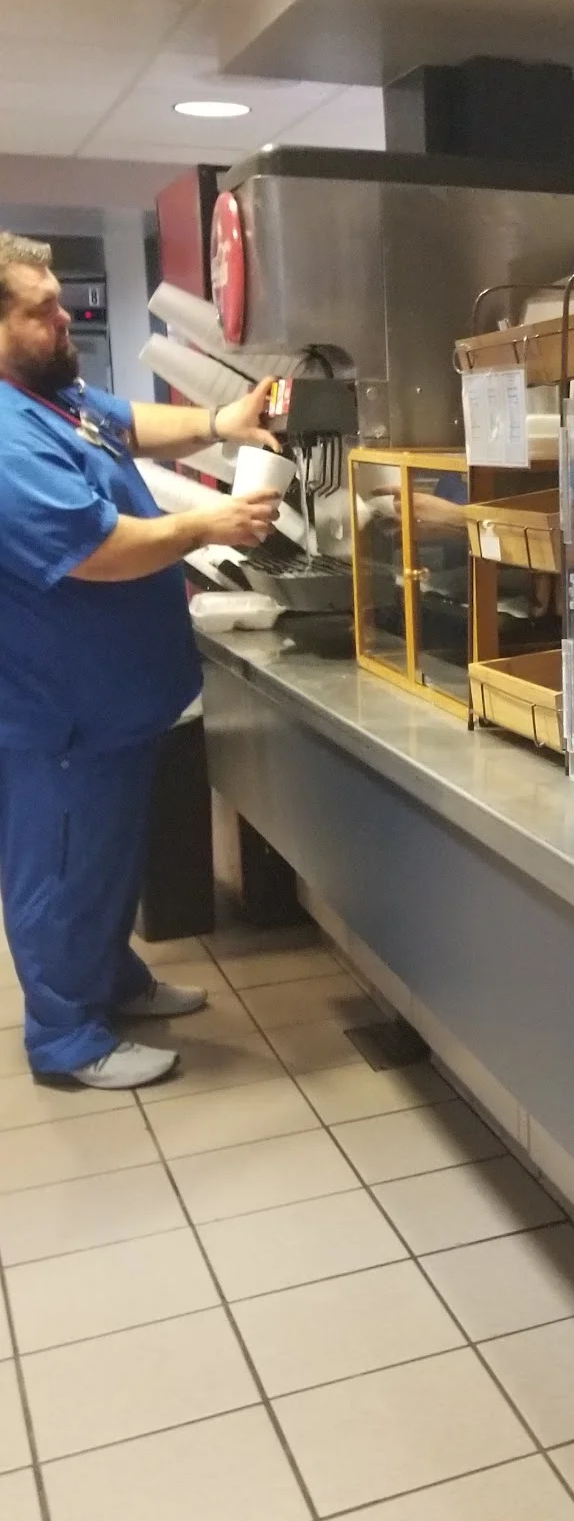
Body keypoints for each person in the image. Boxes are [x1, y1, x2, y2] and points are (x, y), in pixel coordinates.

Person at [0, 231, 283, 1090]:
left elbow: (126, 420)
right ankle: (65, 1038)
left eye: (59, 300)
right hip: (62, 713)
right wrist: (207, 525)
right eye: (41, 310)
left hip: (112, 702)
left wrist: (221, 422)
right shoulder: (5, 440)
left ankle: (111, 981)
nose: (65, 318)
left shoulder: (50, 396)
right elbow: (98, 551)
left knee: (107, 861)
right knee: (62, 870)